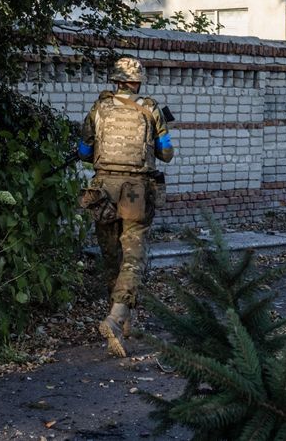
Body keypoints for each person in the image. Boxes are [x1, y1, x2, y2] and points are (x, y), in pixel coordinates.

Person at [78, 55, 174, 358]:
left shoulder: (99, 108)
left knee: (112, 256)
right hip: (135, 190)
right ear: (137, 80)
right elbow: (167, 153)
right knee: (134, 255)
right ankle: (117, 317)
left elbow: (83, 151)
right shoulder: (150, 108)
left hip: (102, 189)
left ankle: (124, 321)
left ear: (115, 79)